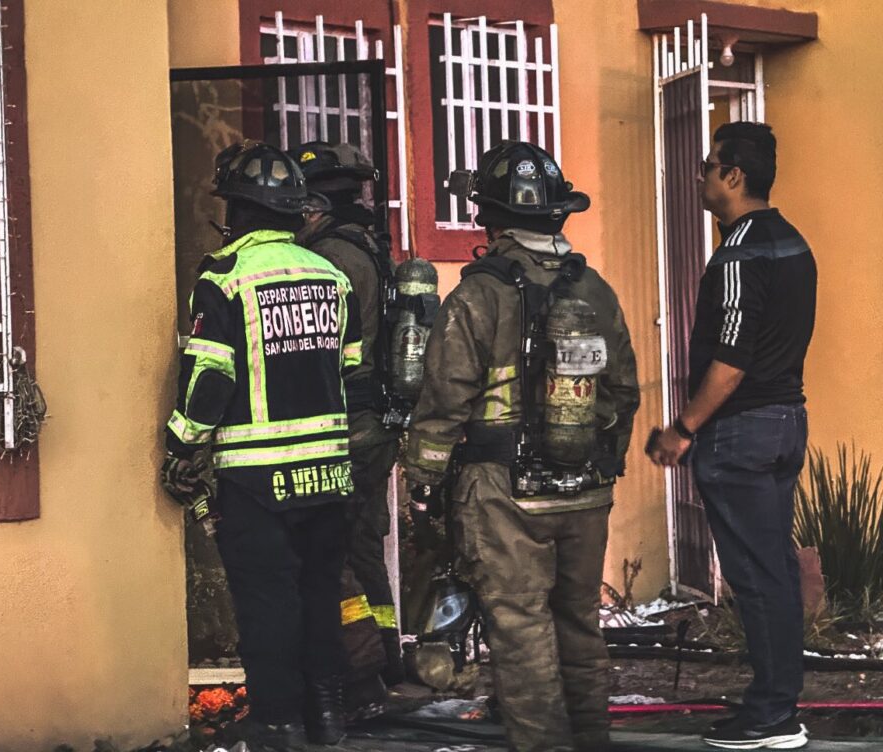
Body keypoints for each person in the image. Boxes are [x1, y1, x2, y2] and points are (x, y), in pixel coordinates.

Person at [403, 140, 640, 752]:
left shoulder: (477, 294)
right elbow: (623, 391)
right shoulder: (595, 290)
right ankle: (591, 740)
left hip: (504, 493)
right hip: (585, 490)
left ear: (490, 217)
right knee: (579, 623)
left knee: (520, 627)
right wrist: (600, 464)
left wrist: (423, 482)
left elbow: (444, 400)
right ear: (559, 213)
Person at [161, 141, 363, 751]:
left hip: (257, 478)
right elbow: (348, 364)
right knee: (320, 594)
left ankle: (278, 723)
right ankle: (326, 716)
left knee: (267, 602)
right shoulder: (332, 276)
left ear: (241, 212)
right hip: (329, 472)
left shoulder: (223, 278)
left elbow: (211, 378)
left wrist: (179, 442)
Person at [648, 121, 816, 750]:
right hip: (785, 423)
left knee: (755, 574)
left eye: (706, 165)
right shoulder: (793, 243)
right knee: (773, 570)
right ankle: (779, 708)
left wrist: (681, 430)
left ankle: (772, 716)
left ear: (734, 175)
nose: (699, 175)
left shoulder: (742, 252)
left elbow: (732, 359)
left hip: (742, 433)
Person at [290, 141, 406, 692]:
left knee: (334, 556)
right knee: (365, 548)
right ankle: (387, 658)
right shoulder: (370, 248)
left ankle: (360, 679)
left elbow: (322, 353)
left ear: (315, 206)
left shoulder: (329, 260)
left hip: (348, 425)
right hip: (377, 424)